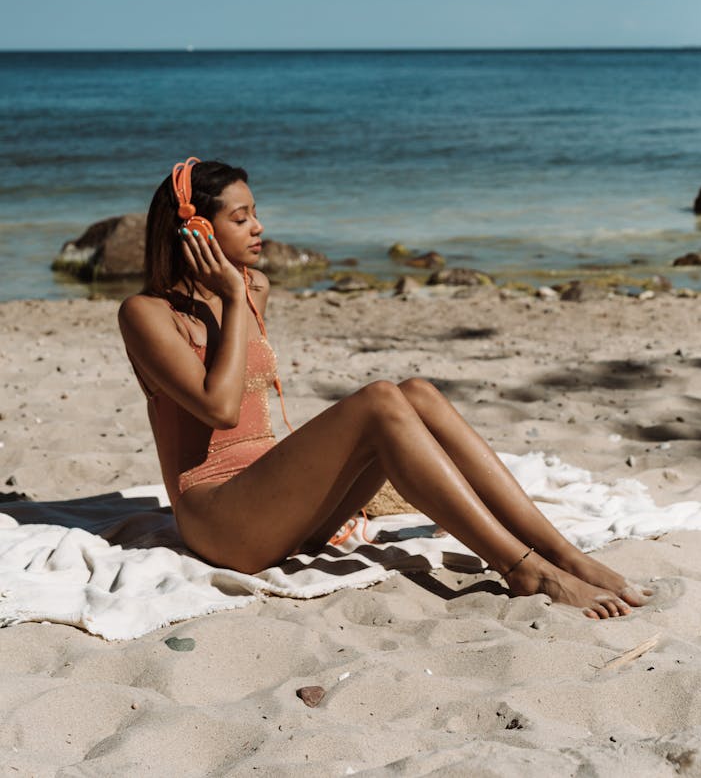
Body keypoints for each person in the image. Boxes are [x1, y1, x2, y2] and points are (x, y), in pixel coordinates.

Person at [119, 158, 652, 620]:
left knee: (415, 392)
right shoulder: (147, 314)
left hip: (281, 506)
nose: (259, 227)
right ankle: (524, 570)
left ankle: (562, 553)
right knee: (377, 399)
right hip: (222, 522)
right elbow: (219, 407)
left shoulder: (256, 286)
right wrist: (232, 298)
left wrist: (239, 293)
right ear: (197, 233)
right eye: (241, 218)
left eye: (255, 212)